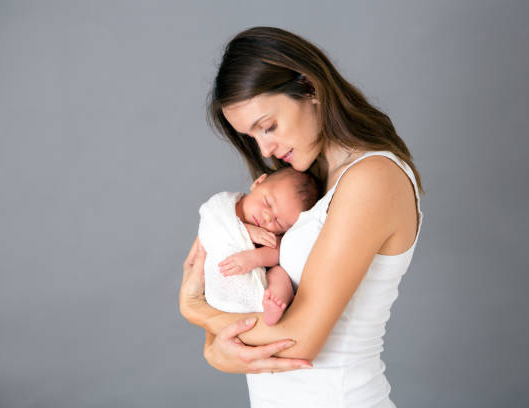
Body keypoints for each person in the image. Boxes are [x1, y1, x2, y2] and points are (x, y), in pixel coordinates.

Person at [180, 26, 424, 407]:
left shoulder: (372, 178)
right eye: (252, 137)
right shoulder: (307, 188)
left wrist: (198, 314)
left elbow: (299, 340)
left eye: (268, 126)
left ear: (309, 87)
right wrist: (218, 345)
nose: (265, 148)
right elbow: (257, 310)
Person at [199, 167, 319, 326]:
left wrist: (254, 258)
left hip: (257, 287)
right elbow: (210, 222)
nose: (267, 217)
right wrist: (246, 231)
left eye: (278, 222)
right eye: (267, 203)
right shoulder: (225, 205)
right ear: (258, 182)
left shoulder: (270, 235)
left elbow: (277, 252)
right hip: (222, 281)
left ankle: (274, 306)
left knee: (279, 274)